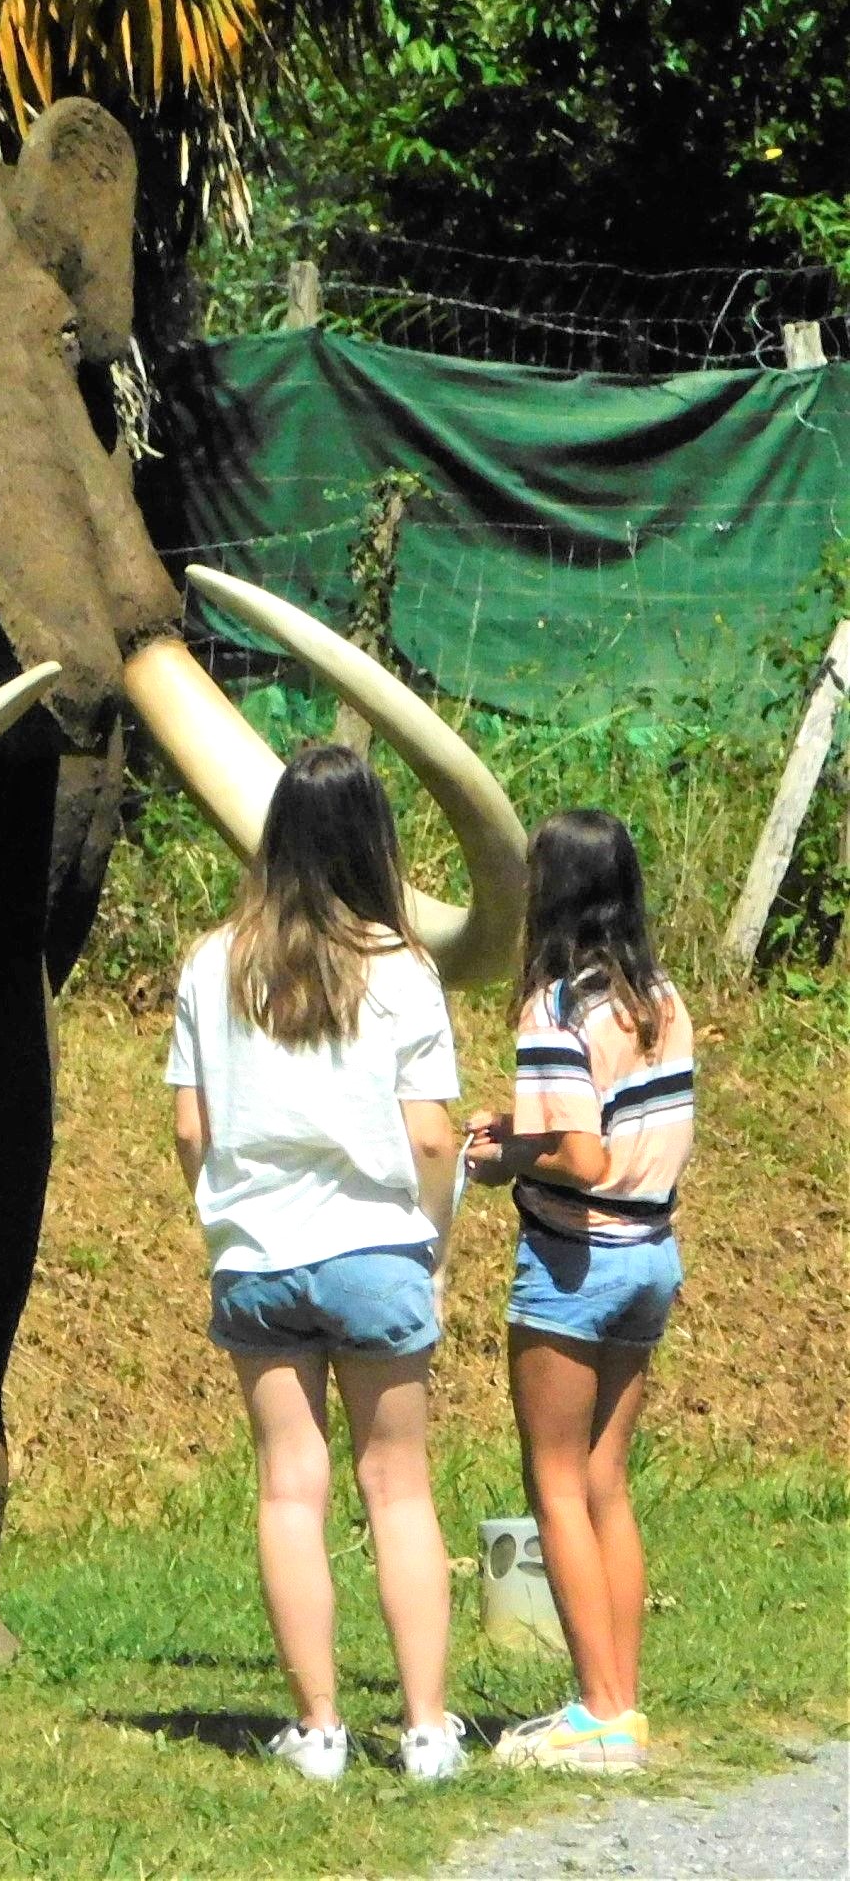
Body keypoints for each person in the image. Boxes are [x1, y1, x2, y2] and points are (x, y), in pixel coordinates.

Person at [167, 742, 465, 1783]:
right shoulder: (403, 968)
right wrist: (433, 1239)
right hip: (376, 1250)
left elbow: (192, 1133)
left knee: (289, 1489)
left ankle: (319, 1729)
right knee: (399, 1489)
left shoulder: (212, 964)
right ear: (373, 838)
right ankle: (426, 1729)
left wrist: (221, 1225)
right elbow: (432, 1140)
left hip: (255, 1257)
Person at [466, 809, 694, 1774]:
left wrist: (501, 1153)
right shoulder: (661, 999)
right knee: (607, 1483)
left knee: (554, 1481)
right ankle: (622, 1704)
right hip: (653, 1257)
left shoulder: (556, 1006)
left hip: (575, 1262)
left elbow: (581, 1154)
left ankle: (595, 1715)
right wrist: (526, 1126)